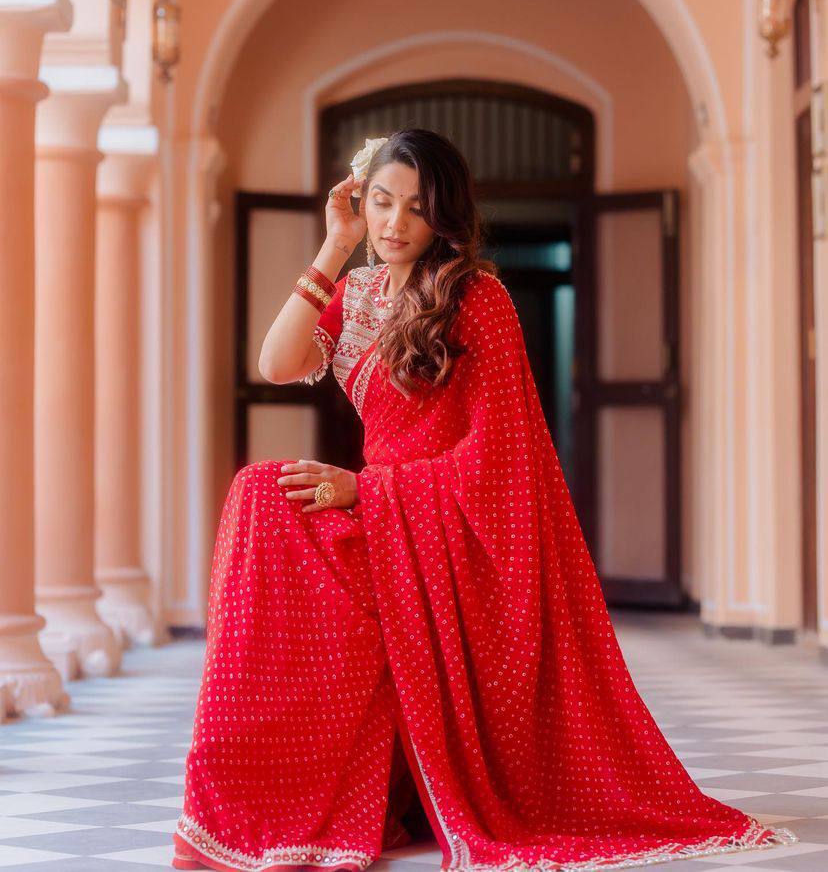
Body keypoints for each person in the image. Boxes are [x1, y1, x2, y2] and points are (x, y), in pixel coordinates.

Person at [172, 129, 797, 872]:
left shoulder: (477, 297)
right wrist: (333, 248)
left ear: (443, 215)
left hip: (446, 533)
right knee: (258, 496)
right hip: (388, 519)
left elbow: (497, 461)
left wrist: (363, 489)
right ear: (358, 203)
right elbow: (275, 363)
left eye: (414, 206)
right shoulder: (359, 293)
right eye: (378, 202)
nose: (393, 222)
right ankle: (274, 792)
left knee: (272, 503)